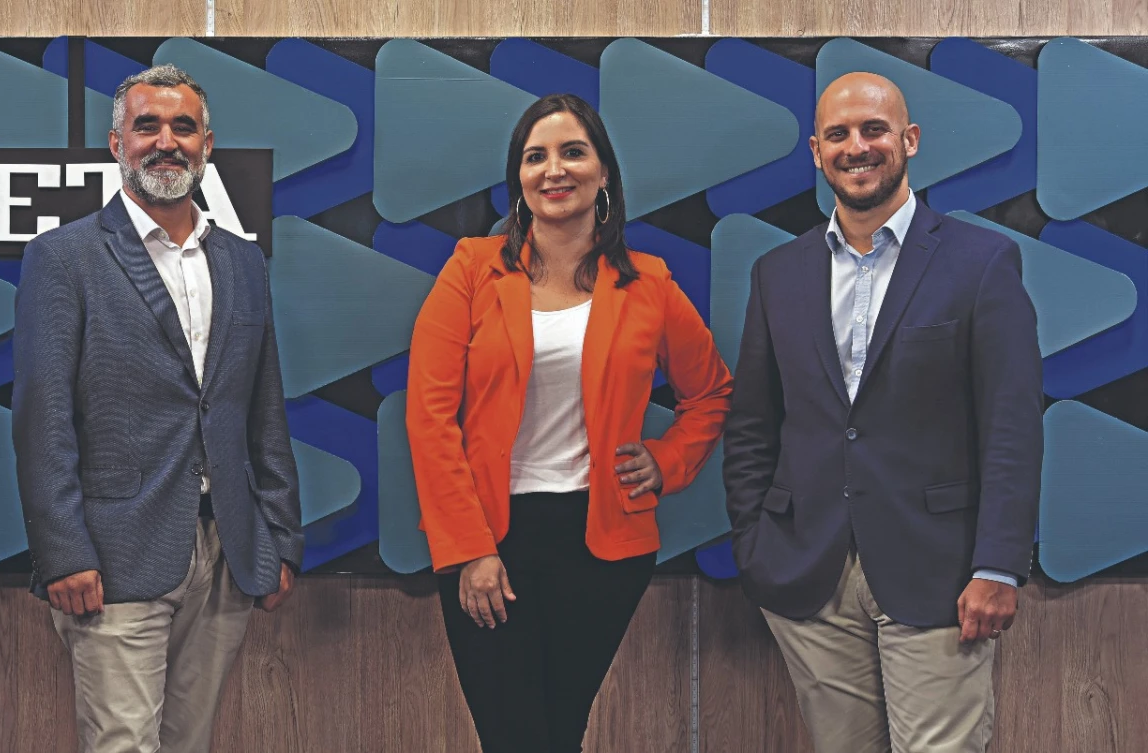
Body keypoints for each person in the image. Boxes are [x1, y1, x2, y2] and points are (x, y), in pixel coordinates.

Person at [723, 72, 1043, 753]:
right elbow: (752, 422)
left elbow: (1012, 426)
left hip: (941, 572)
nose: (857, 146)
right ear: (815, 151)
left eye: (874, 129)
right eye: (837, 134)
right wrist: (755, 545)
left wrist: (999, 564)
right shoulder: (777, 273)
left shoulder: (982, 263)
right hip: (809, 573)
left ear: (910, 140)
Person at [406, 93, 732, 753]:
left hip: (603, 548)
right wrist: (470, 548)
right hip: (491, 541)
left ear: (603, 173)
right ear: (519, 179)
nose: (554, 169)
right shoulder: (472, 269)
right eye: (536, 156)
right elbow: (429, 416)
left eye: (573, 152)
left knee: (559, 731)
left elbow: (712, 393)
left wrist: (666, 463)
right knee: (513, 734)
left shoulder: (650, 285)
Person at [12, 64, 302, 753]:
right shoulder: (64, 258)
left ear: (207, 144)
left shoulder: (241, 262)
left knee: (187, 743)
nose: (166, 141)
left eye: (183, 126)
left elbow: (262, 407)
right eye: (147, 125)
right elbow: (41, 419)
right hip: (112, 557)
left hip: (226, 551)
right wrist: (63, 551)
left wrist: (281, 537)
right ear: (117, 144)